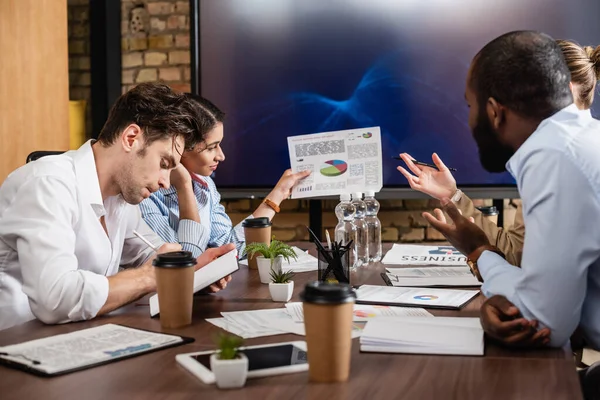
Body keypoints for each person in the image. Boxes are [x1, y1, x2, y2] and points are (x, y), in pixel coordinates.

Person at [0, 83, 233, 331]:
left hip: (80, 340)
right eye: (164, 163)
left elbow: (152, 253)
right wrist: (149, 277)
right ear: (131, 138)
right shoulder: (47, 184)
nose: (166, 182)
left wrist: (192, 269)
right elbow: (55, 298)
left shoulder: (122, 200)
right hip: (18, 347)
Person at [421, 31, 600, 349]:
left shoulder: (554, 156)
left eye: (470, 106)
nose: (470, 121)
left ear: (494, 111)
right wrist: (503, 293)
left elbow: (541, 323)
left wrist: (480, 253)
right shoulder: (579, 141)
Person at [397, 39, 600, 266]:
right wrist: (453, 196)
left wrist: (477, 256)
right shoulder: (550, 157)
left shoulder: (562, 161)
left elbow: (541, 289)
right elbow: (517, 252)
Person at [139, 94, 310, 258]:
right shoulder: (146, 195)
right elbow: (186, 264)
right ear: (180, 147)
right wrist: (184, 187)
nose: (221, 156)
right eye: (211, 147)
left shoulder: (205, 186)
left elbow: (230, 246)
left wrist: (278, 194)